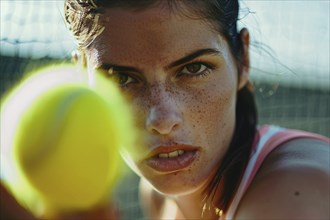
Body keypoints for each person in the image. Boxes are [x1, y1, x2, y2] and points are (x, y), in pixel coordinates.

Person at [1, 0, 329, 219]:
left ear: (242, 60)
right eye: (120, 77)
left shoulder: (300, 189)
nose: (162, 120)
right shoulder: (158, 199)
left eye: (194, 69)